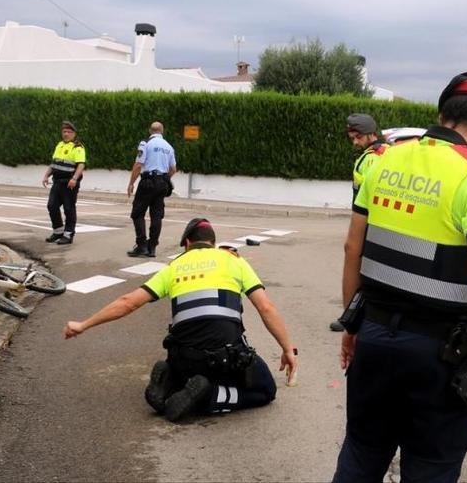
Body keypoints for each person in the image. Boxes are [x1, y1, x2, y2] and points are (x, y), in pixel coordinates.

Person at [333, 71, 467, 482]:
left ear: (441, 112)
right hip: (441, 355)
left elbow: (354, 249)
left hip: (375, 336)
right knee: (431, 468)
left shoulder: (384, 159)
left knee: (362, 452)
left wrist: (352, 327)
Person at [64, 218, 298, 422]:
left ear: (187, 244)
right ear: (213, 243)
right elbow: (266, 308)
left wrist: (83, 324)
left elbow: (128, 302)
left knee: (189, 363)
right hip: (224, 357)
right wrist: (287, 349)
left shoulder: (173, 267)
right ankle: (208, 396)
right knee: (266, 390)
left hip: (185, 358)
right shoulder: (233, 261)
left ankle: (171, 379)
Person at [329, 113, 390, 332]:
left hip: (368, 222)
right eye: (352, 137)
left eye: (358, 137)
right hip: (378, 222)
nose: (354, 142)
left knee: (358, 267)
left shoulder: (372, 157)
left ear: (372, 134)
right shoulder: (383, 153)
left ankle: (352, 318)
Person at [126, 121, 176, 258]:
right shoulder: (169, 147)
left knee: (137, 213)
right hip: (162, 184)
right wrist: (165, 179)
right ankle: (152, 247)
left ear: (150, 131)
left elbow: (138, 165)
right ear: (162, 131)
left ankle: (141, 246)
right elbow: (173, 169)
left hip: (148, 181)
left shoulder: (145, 143)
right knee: (157, 215)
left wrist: (131, 183)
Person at [42, 120, 86, 245]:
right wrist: (46, 176)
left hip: (69, 183)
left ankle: (68, 235)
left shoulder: (78, 147)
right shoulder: (59, 145)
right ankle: (58, 232)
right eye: (64, 131)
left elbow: (81, 165)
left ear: (74, 134)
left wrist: (74, 179)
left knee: (69, 208)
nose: (66, 134)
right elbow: (54, 163)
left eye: (69, 132)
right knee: (52, 206)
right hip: (57, 182)